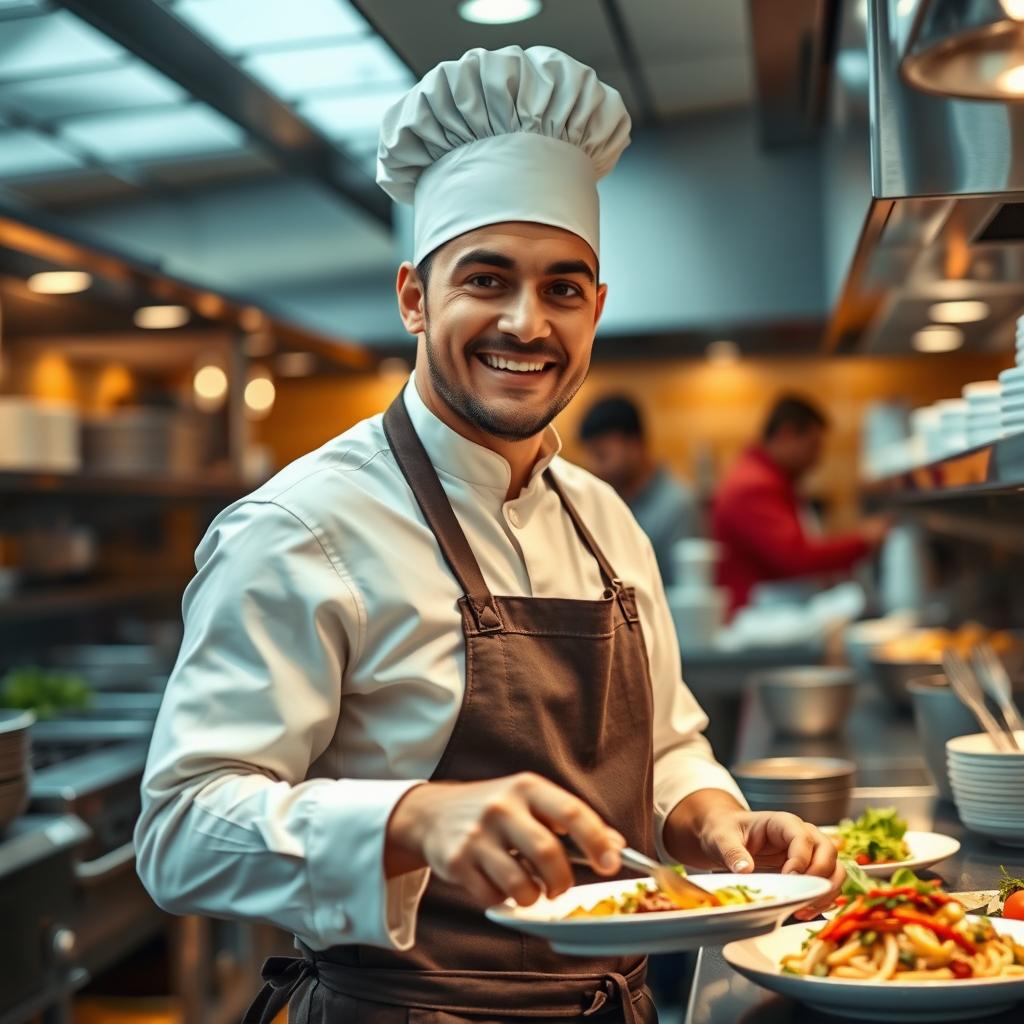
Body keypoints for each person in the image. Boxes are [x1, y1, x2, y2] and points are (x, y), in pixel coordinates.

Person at [135, 47, 843, 1024]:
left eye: (562, 287)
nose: (526, 321)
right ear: (414, 298)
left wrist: (713, 819)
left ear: (595, 310)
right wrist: (410, 819)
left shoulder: (603, 519)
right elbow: (177, 832)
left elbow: (669, 745)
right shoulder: (300, 526)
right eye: (486, 278)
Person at [712, 394, 889, 616]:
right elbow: (794, 557)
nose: (817, 459)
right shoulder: (753, 486)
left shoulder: (767, 478)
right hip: (760, 621)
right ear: (786, 434)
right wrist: (863, 541)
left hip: (773, 614)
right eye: (813, 446)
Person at [579, 395, 697, 586]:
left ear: (635, 445)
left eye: (601, 456)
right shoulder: (605, 500)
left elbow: (682, 589)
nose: (594, 467)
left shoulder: (678, 505)